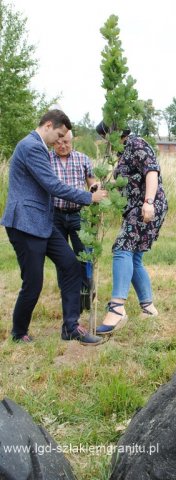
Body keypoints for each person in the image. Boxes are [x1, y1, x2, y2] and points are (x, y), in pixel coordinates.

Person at [0, 110, 107, 345]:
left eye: (63, 137)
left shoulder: (37, 146)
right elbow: (52, 185)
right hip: (26, 224)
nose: (59, 141)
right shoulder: (32, 146)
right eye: (58, 134)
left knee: (70, 265)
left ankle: (70, 327)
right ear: (48, 125)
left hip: (42, 223)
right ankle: (19, 333)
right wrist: (90, 198)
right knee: (33, 283)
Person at [94, 122, 168, 336]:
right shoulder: (122, 152)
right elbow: (123, 183)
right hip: (134, 209)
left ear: (116, 134)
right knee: (134, 257)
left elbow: (151, 172)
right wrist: (100, 189)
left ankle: (117, 310)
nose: (104, 141)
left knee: (121, 249)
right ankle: (148, 308)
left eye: (104, 136)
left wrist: (149, 201)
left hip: (146, 207)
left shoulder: (137, 144)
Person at [49, 130, 96, 311]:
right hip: (56, 215)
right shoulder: (46, 159)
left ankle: (86, 295)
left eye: (66, 142)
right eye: (58, 143)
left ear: (72, 140)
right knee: (61, 258)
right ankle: (68, 295)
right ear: (53, 142)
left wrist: (95, 188)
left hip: (78, 215)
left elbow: (91, 182)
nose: (62, 146)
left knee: (84, 255)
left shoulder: (82, 159)